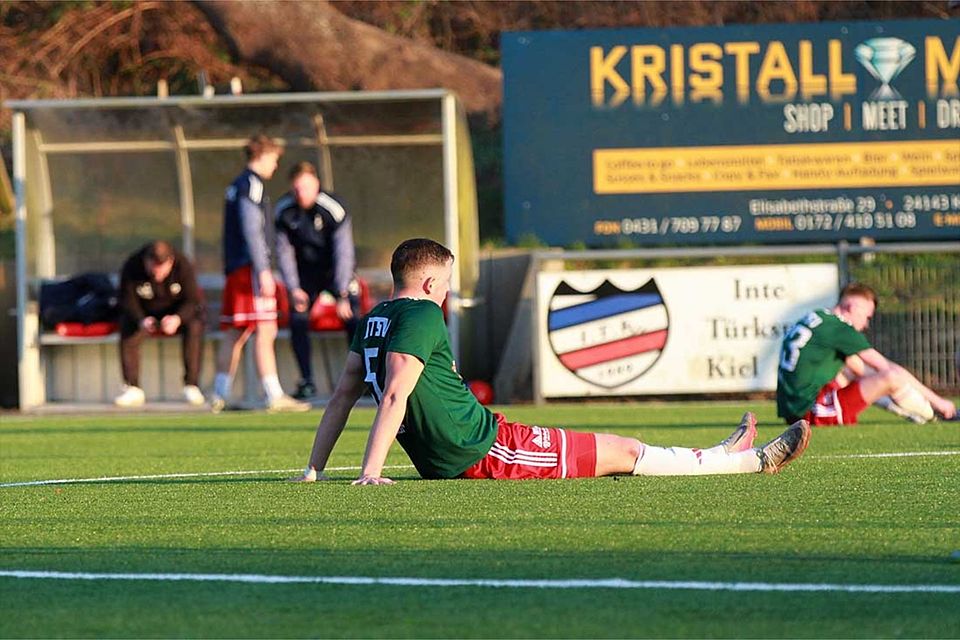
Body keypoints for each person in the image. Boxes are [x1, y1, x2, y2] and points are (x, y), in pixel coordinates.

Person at [291, 238, 811, 485]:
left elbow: (343, 395)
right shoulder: (423, 315)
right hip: (487, 451)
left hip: (481, 440)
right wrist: (370, 474)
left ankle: (719, 454)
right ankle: (748, 462)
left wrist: (315, 470)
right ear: (430, 284)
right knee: (623, 451)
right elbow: (400, 393)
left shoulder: (374, 318)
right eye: (447, 283)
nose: (448, 293)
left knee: (617, 451)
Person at [211, 134, 310, 413]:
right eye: (275, 160)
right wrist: (263, 269)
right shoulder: (251, 184)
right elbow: (252, 228)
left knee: (237, 331)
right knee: (266, 328)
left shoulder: (236, 185)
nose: (276, 166)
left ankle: (220, 394)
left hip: (237, 267)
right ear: (263, 156)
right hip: (250, 269)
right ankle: (273, 394)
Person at [776, 282, 956, 426]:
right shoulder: (840, 329)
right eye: (867, 316)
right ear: (852, 307)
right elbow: (888, 369)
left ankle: (914, 412)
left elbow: (860, 370)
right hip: (813, 412)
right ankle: (935, 414)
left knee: (855, 370)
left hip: (793, 411)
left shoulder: (817, 317)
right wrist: (938, 401)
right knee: (891, 377)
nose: (866, 325)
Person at [275, 161, 360, 400]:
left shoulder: (333, 208)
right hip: (306, 277)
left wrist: (342, 293)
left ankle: (364, 380)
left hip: (336, 273)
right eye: (297, 188)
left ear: (317, 185)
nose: (302, 193)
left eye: (306, 187)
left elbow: (343, 253)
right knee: (298, 319)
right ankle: (307, 380)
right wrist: (293, 289)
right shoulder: (284, 210)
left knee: (353, 317)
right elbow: (284, 253)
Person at [114, 240, 205, 407]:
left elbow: (193, 301)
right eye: (153, 267)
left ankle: (191, 385)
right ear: (145, 262)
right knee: (127, 325)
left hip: (175, 314)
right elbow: (126, 300)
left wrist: (177, 318)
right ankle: (133, 387)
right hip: (145, 314)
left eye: (161, 268)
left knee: (195, 326)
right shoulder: (132, 265)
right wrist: (141, 319)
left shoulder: (183, 265)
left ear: (170, 262)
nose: (157, 273)